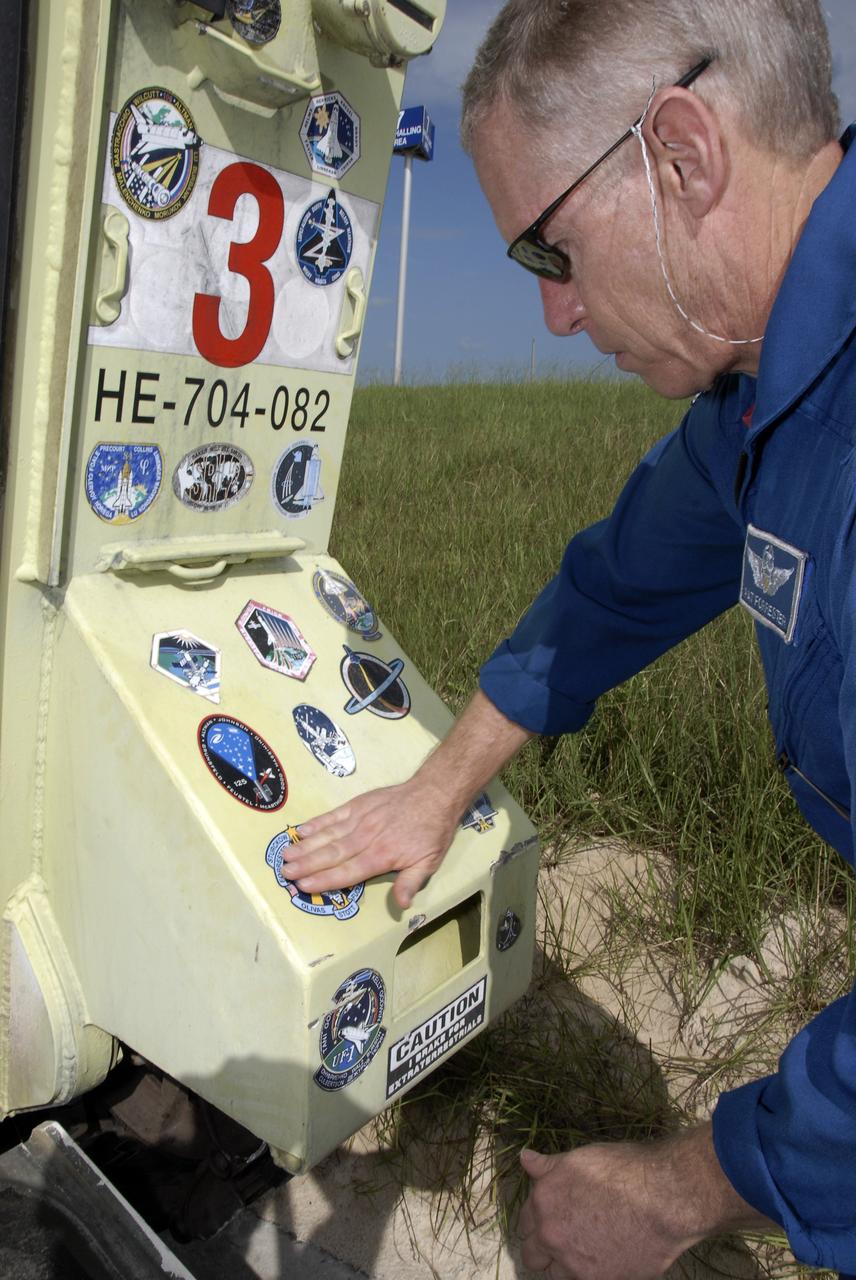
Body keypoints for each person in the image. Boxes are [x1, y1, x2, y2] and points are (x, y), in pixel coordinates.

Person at [283, 1, 856, 1276]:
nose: (553, 315)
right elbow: (615, 589)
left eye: (549, 253)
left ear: (683, 153)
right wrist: (438, 788)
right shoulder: (769, 386)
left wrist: (686, 1185)